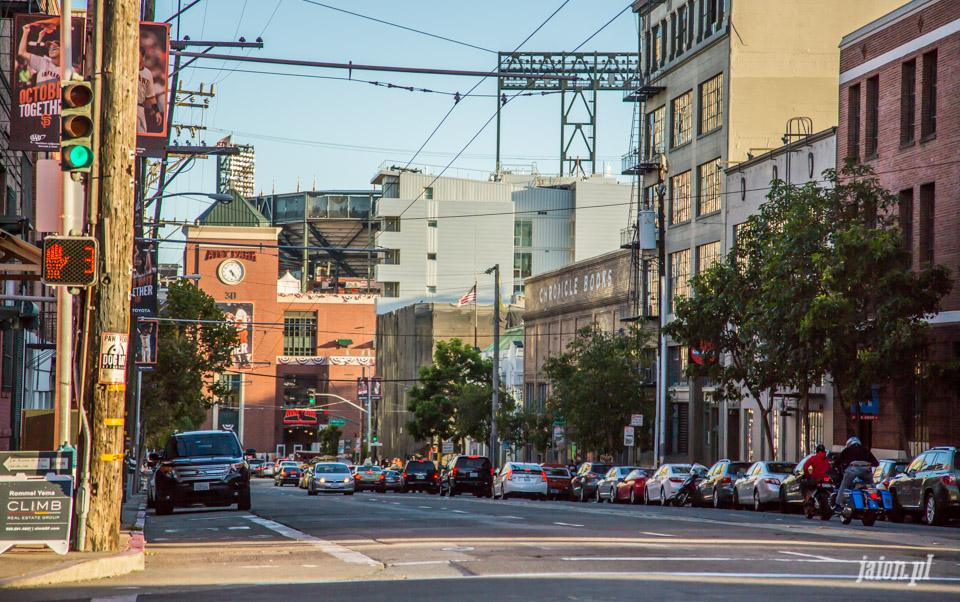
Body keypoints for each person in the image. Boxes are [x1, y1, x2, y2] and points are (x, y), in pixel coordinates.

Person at [833, 437, 879, 510]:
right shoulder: (865, 450)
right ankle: (876, 499)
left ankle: (838, 503)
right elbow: (876, 463)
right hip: (866, 469)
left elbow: (838, 462)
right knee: (871, 484)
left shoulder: (847, 450)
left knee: (844, 484)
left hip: (853, 469)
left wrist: (835, 466)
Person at [137, 46, 163, 133]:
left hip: (139, 106)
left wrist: (157, 112)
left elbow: (151, 96)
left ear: (143, 57)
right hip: (124, 105)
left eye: (138, 55)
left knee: (141, 133)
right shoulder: (125, 70)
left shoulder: (147, 73)